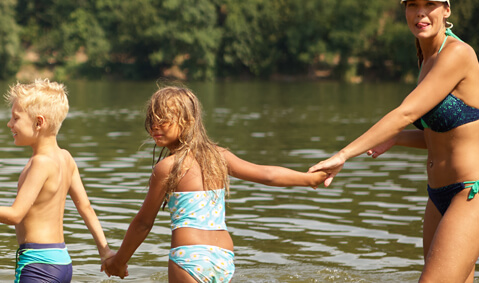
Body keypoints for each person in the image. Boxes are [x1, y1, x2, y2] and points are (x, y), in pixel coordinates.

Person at [308, 0, 479, 283]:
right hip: (438, 197)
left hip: (472, 195)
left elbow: (406, 112)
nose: (421, 13)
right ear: (405, 11)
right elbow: (440, 137)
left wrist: (343, 155)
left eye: (430, 5)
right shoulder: (427, 61)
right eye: (413, 6)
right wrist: (397, 138)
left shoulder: (458, 54)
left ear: (447, 10)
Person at [101, 86, 327, 282]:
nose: (154, 127)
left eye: (163, 120)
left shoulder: (166, 167)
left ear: (187, 122)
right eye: (152, 120)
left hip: (188, 256)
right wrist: (309, 179)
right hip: (223, 258)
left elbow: (143, 223)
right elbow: (267, 175)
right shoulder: (219, 156)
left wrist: (119, 261)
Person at [0, 79, 113, 283]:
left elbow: (15, 215)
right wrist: (105, 252)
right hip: (62, 261)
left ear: (39, 123)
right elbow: (85, 207)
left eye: (15, 118)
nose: (9, 124)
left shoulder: (40, 163)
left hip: (38, 264)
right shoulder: (66, 158)